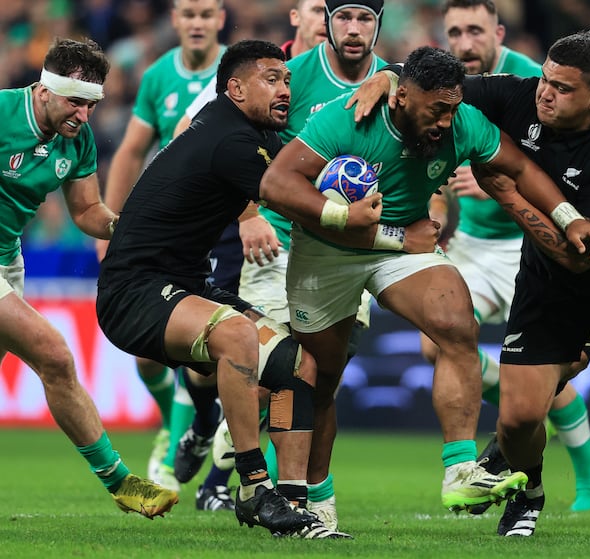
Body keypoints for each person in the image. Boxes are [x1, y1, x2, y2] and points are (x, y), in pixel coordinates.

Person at [259, 45, 590, 529]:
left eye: (452, 108)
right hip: (329, 252)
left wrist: (568, 217)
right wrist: (362, 223)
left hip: (406, 248)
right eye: (437, 109)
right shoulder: (347, 120)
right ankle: (317, 501)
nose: (447, 121)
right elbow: (276, 183)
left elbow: (521, 169)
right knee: (321, 379)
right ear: (401, 97)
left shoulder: (463, 122)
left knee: (455, 325)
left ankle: (460, 468)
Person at [96, 39, 358, 539]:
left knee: (299, 364)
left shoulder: (247, 132)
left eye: (287, 79)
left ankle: (295, 506)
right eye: (271, 79)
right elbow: (299, 200)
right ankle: (254, 488)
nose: (285, 89)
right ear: (235, 88)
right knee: (235, 335)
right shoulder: (231, 140)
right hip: (135, 293)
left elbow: (310, 168)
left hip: (188, 286)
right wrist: (363, 219)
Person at [180, 0, 389, 530]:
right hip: (276, 246)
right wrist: (250, 214)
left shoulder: (392, 81)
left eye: (363, 18)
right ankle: (260, 487)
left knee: (319, 384)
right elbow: (199, 126)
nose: (348, 27)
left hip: (346, 253)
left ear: (378, 24)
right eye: (338, 15)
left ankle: (284, 493)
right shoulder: (284, 76)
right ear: (317, 19)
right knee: (279, 369)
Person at [425, 0, 590, 513]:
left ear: (499, 32)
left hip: (531, 247)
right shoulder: (446, 89)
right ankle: (496, 436)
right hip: (473, 247)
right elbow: (439, 174)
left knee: (550, 369)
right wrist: (439, 211)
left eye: (475, 31)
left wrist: (497, 189)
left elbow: (559, 172)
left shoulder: (539, 83)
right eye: (455, 32)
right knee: (435, 343)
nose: (465, 44)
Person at [0, 37, 179, 519]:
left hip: (7, 260)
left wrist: (129, 228)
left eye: (92, 104)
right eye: (75, 102)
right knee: (54, 355)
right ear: (43, 90)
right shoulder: (1, 113)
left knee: (52, 364)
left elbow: (85, 211)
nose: (84, 115)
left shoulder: (76, 140)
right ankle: (121, 482)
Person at [168, 0, 328, 512]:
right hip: (247, 239)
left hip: (313, 244)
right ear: (296, 16)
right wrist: (246, 215)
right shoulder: (262, 69)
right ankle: (212, 443)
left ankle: (276, 487)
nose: (336, 20)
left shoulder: (356, 82)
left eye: (349, 11)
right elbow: (184, 138)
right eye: (323, 8)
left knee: (300, 367)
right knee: (231, 358)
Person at [97, 0, 227, 495]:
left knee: (209, 346)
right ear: (174, 20)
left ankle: (192, 449)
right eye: (188, 14)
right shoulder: (156, 78)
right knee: (149, 355)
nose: (197, 23)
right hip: (168, 232)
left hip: (223, 231)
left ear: (220, 18)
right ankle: (173, 427)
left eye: (206, 14)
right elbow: (131, 151)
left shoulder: (238, 72)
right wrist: (111, 230)